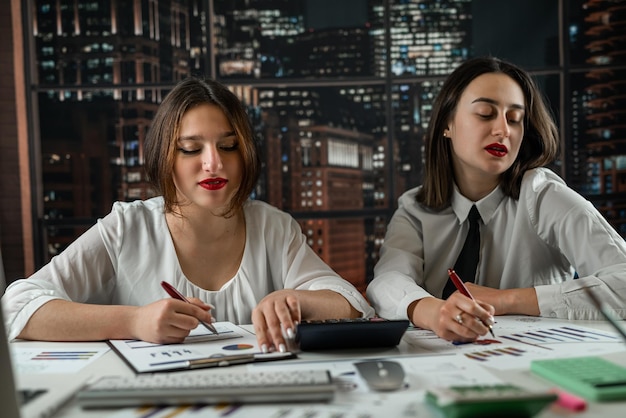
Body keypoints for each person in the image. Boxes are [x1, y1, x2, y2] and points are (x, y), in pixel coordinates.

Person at [2, 77, 374, 352]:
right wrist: (134, 321)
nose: (213, 163)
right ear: (166, 156)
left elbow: (353, 303)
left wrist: (293, 300)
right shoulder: (127, 228)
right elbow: (16, 306)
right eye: (191, 149)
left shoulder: (273, 226)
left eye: (228, 146)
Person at [367, 56, 626, 343]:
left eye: (514, 119)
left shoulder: (542, 195)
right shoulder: (415, 209)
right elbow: (386, 282)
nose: (503, 130)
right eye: (486, 113)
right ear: (447, 124)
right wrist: (434, 311)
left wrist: (507, 300)